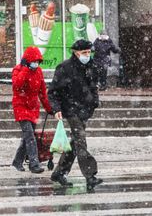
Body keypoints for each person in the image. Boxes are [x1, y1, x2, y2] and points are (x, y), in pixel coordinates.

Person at [48, 39, 103, 192]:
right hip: (71, 109)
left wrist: (94, 102)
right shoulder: (65, 68)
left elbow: (94, 86)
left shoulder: (91, 66)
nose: (87, 55)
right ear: (76, 53)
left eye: (89, 52)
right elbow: (53, 92)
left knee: (75, 144)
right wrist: (56, 109)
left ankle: (59, 173)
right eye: (84, 52)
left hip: (85, 109)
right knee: (81, 141)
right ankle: (90, 176)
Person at [11, 46, 52, 174]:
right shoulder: (18, 70)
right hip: (21, 106)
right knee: (29, 136)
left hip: (33, 108)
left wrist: (49, 108)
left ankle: (17, 161)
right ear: (27, 60)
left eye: (38, 61)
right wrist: (25, 69)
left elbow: (42, 92)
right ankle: (34, 164)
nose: (36, 63)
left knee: (27, 137)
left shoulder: (38, 72)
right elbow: (17, 85)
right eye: (34, 61)